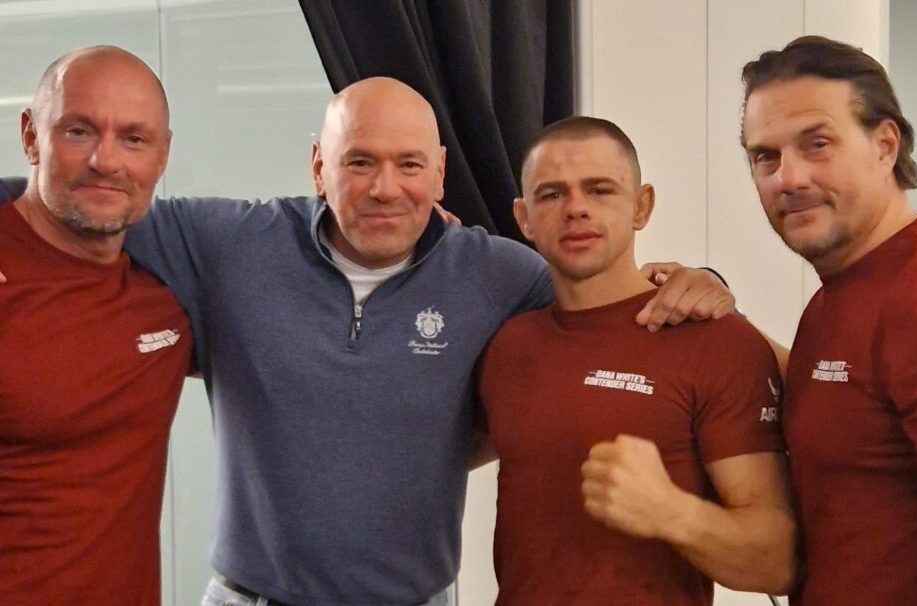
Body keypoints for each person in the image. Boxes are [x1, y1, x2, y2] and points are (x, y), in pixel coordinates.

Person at [1, 71, 736, 604]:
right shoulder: (225, 244)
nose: (386, 187)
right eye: (359, 161)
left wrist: (699, 280)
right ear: (318, 167)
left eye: (409, 164)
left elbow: (603, 307)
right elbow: (67, 197)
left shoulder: (502, 276)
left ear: (439, 173)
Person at [739, 35, 917, 606]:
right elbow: (857, 402)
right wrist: (723, 318)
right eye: (765, 156)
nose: (788, 178)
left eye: (817, 144)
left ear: (885, 145)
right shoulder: (846, 292)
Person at [475, 116, 797, 605]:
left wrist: (669, 511)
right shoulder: (509, 346)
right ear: (524, 218)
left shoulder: (717, 343)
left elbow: (778, 563)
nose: (576, 208)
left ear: (641, 206)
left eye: (600, 189)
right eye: (552, 194)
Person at [0, 47, 192, 604]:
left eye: (133, 138)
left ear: (162, 155)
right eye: (79, 131)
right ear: (31, 137)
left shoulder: (168, 299)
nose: (106, 160)